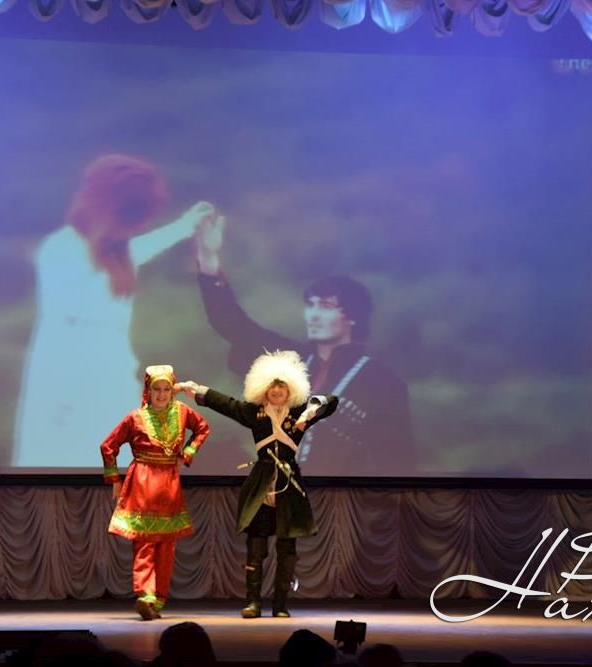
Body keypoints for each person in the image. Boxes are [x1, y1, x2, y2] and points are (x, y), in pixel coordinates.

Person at [14, 153, 215, 467]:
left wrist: (185, 225)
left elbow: (137, 249)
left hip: (112, 382)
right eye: (129, 216)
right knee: (59, 466)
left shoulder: (116, 253)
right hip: (65, 392)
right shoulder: (62, 251)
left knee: (118, 469)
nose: (133, 228)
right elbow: (66, 341)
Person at [194, 214, 413, 475]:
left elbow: (396, 459)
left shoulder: (381, 382)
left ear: (353, 317)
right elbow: (232, 323)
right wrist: (208, 258)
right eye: (311, 305)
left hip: (340, 491)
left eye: (326, 307)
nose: (314, 315)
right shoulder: (291, 360)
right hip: (279, 484)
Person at [177, 350, 337, 618]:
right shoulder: (254, 413)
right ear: (263, 388)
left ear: (291, 389)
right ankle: (253, 602)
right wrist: (196, 390)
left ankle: (280, 605)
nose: (276, 390)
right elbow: (225, 404)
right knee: (256, 547)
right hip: (261, 485)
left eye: (282, 385)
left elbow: (332, 401)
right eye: (272, 385)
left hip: (289, 485)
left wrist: (312, 410)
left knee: (287, 549)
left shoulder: (300, 412)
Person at [101, 365, 210, 620]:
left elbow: (203, 428)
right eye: (156, 389)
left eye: (166, 389)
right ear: (147, 392)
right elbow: (108, 446)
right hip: (142, 482)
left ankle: (158, 600)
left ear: (172, 391)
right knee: (144, 541)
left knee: (167, 545)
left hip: (169, 483)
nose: (161, 394)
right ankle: (146, 594)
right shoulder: (135, 418)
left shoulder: (182, 412)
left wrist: (187, 454)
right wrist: (114, 479)